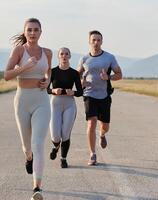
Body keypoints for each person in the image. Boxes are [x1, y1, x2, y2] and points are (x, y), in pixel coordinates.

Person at [4, 18, 52, 200]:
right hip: (22, 100)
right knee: (27, 146)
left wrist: (47, 80)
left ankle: (37, 188)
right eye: (29, 30)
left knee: (38, 143)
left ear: (41, 32)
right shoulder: (19, 51)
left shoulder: (47, 52)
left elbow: (48, 72)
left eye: (36, 30)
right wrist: (25, 66)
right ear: (25, 32)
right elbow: (6, 75)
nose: (32, 33)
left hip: (41, 100)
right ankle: (28, 158)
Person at [77, 30, 122, 166]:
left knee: (105, 126)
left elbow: (119, 74)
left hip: (104, 95)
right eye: (93, 40)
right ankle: (92, 154)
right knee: (91, 123)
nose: (96, 42)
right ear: (89, 41)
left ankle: (102, 135)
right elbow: (77, 75)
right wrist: (81, 83)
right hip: (89, 94)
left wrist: (108, 77)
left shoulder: (109, 57)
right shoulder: (84, 59)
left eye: (98, 40)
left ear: (102, 41)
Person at [47, 47, 82, 168]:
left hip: (69, 105)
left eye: (67, 54)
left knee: (65, 134)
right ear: (58, 56)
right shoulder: (53, 71)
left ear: (70, 56)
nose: (64, 56)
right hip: (55, 104)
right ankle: (56, 146)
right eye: (62, 54)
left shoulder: (74, 73)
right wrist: (53, 90)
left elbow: (80, 92)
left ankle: (63, 159)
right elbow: (46, 89)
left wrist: (73, 92)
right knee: (55, 135)